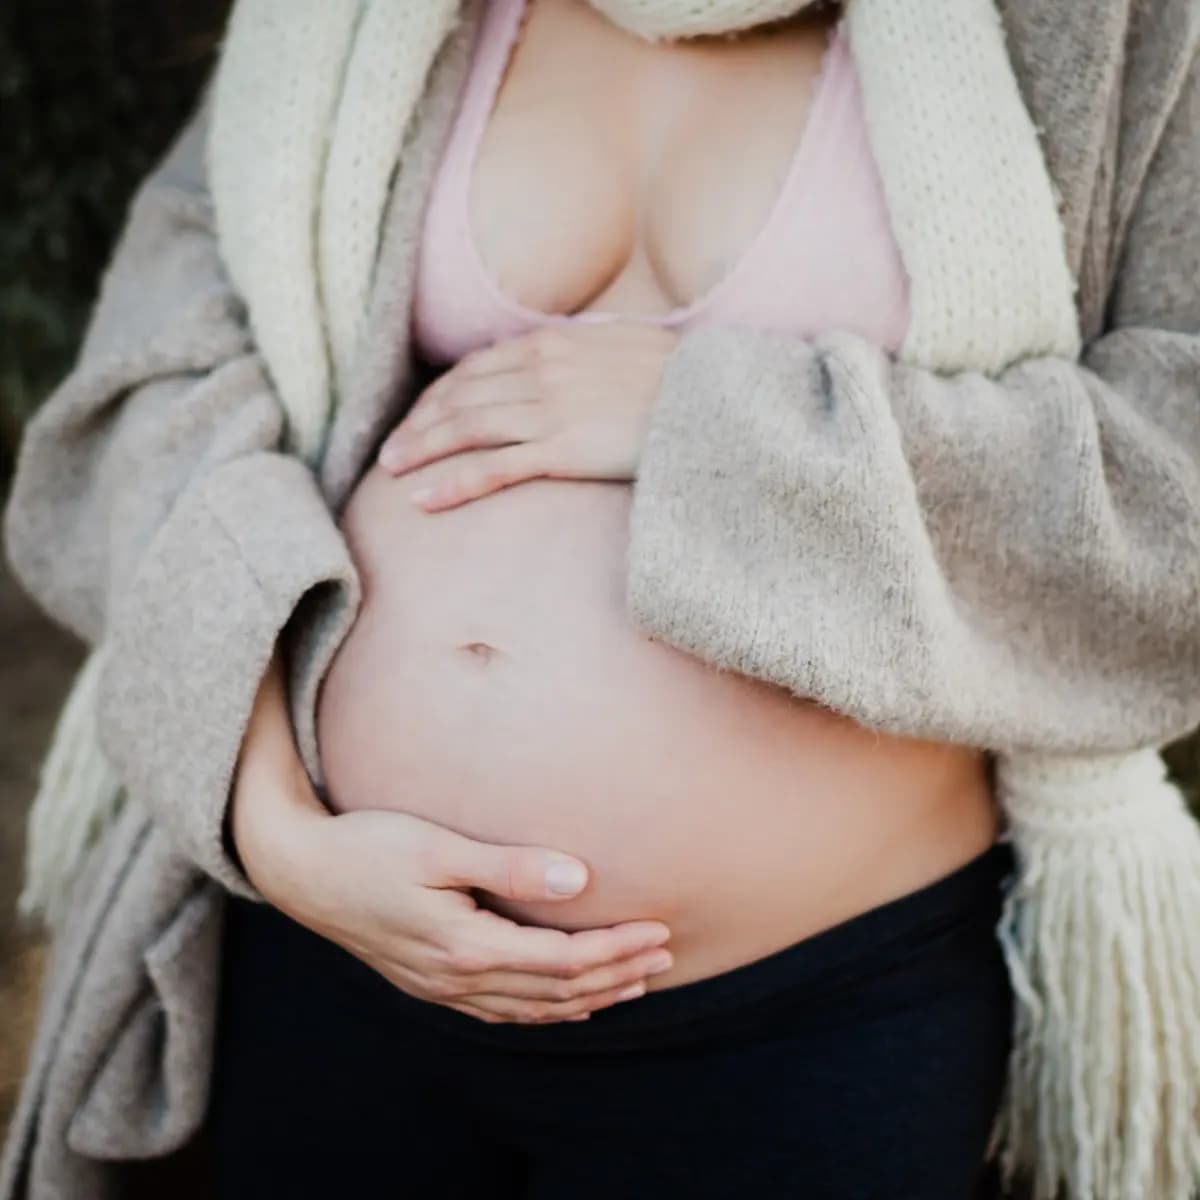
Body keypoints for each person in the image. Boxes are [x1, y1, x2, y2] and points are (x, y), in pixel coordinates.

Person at [3, 1, 1199, 1198]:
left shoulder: (1098, 32)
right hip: (331, 956)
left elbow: (1177, 469)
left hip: (797, 1033)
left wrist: (708, 415)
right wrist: (271, 827)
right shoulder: (354, 19)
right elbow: (164, 380)